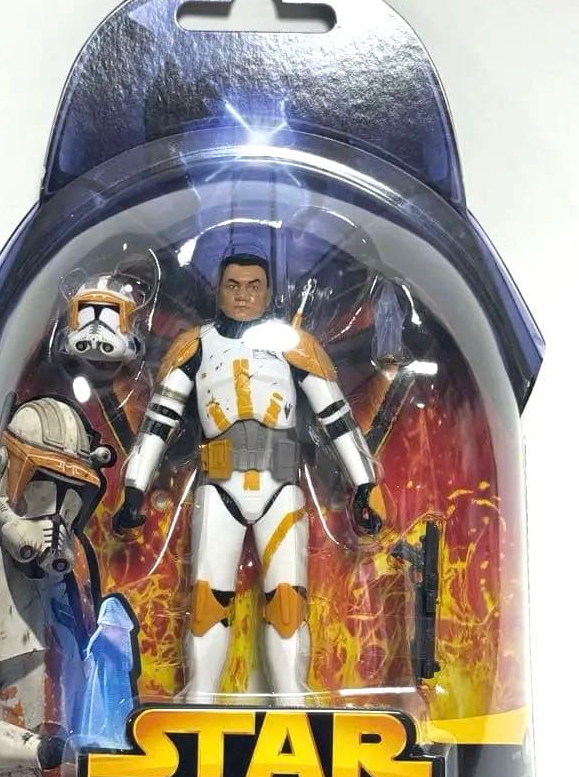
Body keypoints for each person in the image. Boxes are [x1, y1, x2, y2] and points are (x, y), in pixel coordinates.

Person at [113, 250, 385, 702]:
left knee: (288, 603)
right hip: (219, 485)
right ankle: (199, 700)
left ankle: (291, 702)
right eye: (233, 286)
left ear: (269, 292)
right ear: (218, 290)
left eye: (253, 286)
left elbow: (337, 417)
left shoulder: (294, 345)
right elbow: (159, 421)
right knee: (206, 601)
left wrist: (364, 484)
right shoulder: (195, 346)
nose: (243, 295)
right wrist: (134, 488)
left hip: (281, 486)